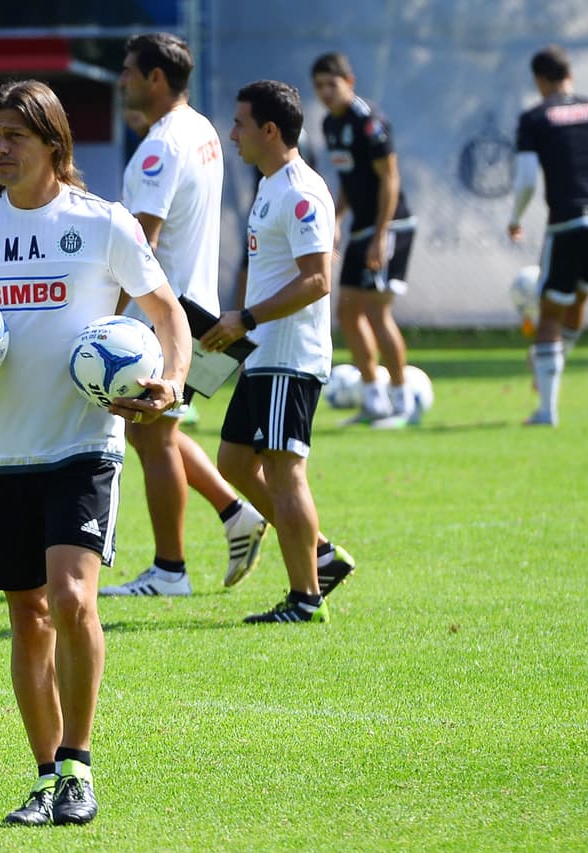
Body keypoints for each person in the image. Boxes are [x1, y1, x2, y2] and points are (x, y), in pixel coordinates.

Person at [0, 79, 190, 826]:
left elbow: (167, 313)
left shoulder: (103, 224)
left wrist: (172, 383)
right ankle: (41, 777)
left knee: (71, 599)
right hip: (4, 452)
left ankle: (78, 765)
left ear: (53, 145)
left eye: (14, 137)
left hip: (84, 444)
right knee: (27, 615)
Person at [101, 32, 270, 597]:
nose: (121, 80)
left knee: (149, 437)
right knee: (158, 432)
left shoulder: (159, 146)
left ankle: (170, 568)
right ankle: (233, 513)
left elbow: (138, 246)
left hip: (161, 316)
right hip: (193, 310)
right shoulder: (200, 130)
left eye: (128, 71)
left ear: (154, 77)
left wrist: (104, 316)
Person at [203, 79, 355, 623]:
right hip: (262, 351)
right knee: (234, 461)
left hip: (290, 355)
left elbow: (318, 281)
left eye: (241, 123)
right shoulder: (269, 184)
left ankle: (305, 597)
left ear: (270, 130)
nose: (233, 133)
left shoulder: (301, 190)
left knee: (286, 471)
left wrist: (245, 317)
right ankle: (319, 556)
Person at [508, 45, 588, 427]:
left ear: (539, 80)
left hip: (570, 220)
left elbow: (528, 178)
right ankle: (553, 362)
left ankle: (547, 408)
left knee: (548, 311)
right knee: (578, 297)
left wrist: (515, 217)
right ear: (571, 74)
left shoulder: (535, 117)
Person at [311, 52, 417, 428]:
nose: (325, 92)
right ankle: (375, 400)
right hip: (361, 229)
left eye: (332, 84)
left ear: (349, 82)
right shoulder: (330, 124)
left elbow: (390, 178)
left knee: (376, 311)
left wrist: (381, 233)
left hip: (389, 227)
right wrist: (338, 217)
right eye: (319, 86)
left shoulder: (368, 122)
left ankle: (404, 402)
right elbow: (348, 179)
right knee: (347, 313)